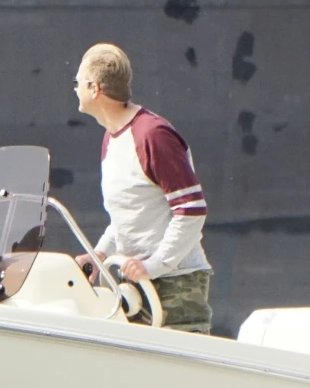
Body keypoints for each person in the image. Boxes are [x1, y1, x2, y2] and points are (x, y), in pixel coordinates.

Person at [74, 42, 212, 331]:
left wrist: (155, 264)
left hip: (176, 288)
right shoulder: (112, 138)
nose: (75, 89)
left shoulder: (152, 135)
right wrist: (99, 254)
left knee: (179, 375)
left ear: (94, 88)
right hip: (135, 287)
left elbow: (191, 211)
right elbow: (128, 215)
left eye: (78, 82)